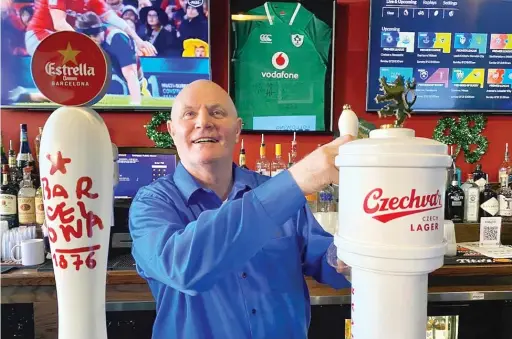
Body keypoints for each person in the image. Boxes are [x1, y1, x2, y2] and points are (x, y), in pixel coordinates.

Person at [128, 79, 352, 339]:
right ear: (172, 131)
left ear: (237, 130)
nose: (203, 122)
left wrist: (354, 257)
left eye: (217, 112)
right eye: (189, 114)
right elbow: (183, 268)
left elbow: (327, 261)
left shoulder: (280, 194)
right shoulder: (152, 203)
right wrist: (297, 179)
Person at [25, 0, 157, 57]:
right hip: (38, 35)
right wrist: (87, 44)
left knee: (108, 41)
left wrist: (138, 40)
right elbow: (59, 24)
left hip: (64, 39)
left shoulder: (93, 1)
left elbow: (115, 20)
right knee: (78, 53)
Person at [75, 11, 150, 105]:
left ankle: (142, 87)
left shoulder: (117, 38)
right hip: (100, 54)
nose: (93, 39)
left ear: (101, 30)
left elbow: (130, 74)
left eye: (95, 35)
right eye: (89, 37)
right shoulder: (82, 38)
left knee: (132, 77)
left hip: (119, 52)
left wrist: (135, 105)